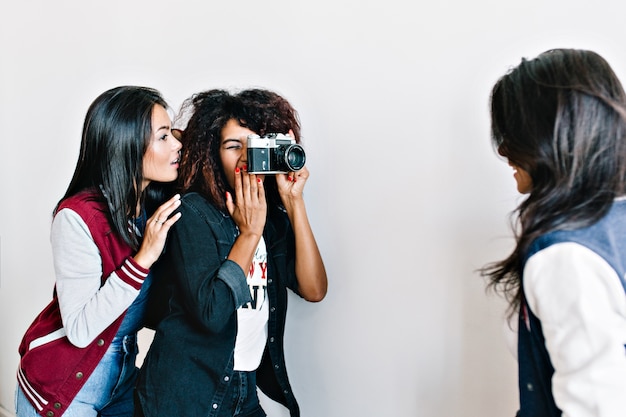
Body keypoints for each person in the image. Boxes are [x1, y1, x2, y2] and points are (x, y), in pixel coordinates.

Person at [134, 88, 328, 417]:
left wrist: (294, 202)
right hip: (183, 394)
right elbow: (211, 313)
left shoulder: (271, 221)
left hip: (242, 390)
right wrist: (249, 233)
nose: (244, 156)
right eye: (233, 145)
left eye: (255, 145)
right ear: (211, 152)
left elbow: (314, 289)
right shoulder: (194, 212)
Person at [15, 86, 183, 417]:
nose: (177, 145)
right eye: (164, 137)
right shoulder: (76, 218)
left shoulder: (149, 207)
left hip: (121, 378)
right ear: (127, 145)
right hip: (65, 384)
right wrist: (143, 258)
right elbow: (79, 330)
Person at [481, 49, 626, 417]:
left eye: (512, 135)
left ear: (550, 137)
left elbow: (596, 408)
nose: (503, 150)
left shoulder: (565, 256)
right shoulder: (615, 220)